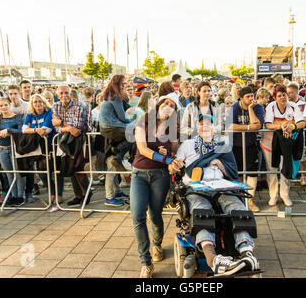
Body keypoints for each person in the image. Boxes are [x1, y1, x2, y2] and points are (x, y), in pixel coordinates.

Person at [172, 114, 259, 276]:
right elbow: (176, 168)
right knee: (201, 209)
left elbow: (232, 172)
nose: (205, 127)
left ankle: (246, 252)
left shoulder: (223, 146)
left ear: (214, 128)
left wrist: (218, 162)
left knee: (237, 206)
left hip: (221, 186)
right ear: (197, 128)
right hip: (196, 188)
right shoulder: (188, 146)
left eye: (208, 124)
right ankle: (213, 258)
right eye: (201, 124)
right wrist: (174, 166)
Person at [130, 92, 183, 278]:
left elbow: (174, 151)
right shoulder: (143, 121)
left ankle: (157, 244)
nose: (168, 105)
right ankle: (146, 262)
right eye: (165, 102)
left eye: (172, 104)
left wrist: (167, 153)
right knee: (137, 216)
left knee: (155, 214)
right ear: (159, 103)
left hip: (161, 175)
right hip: (139, 174)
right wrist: (163, 156)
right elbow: (143, 149)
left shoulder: (173, 128)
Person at [262, 85, 306, 207]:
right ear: (275, 97)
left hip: (288, 143)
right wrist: (281, 126)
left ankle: (285, 195)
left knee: (286, 167)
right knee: (272, 170)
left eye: (284, 95)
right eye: (279, 95)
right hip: (270, 143)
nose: (282, 97)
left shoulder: (294, 106)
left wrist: (292, 126)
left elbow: (302, 123)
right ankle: (273, 195)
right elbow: (268, 125)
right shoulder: (271, 106)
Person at [52, 84, 92, 206]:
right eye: (61, 93)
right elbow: (56, 128)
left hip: (81, 139)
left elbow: (78, 127)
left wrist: (62, 123)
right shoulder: (55, 106)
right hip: (65, 140)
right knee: (70, 166)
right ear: (57, 95)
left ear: (71, 93)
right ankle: (78, 195)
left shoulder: (80, 105)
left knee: (78, 166)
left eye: (66, 92)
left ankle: (87, 193)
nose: (64, 95)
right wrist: (68, 127)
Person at [225, 86, 263, 212]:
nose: (251, 98)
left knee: (252, 172)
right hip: (236, 144)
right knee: (239, 172)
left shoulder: (257, 107)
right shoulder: (234, 107)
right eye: (248, 96)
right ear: (241, 98)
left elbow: (257, 125)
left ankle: (250, 200)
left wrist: (251, 109)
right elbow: (230, 125)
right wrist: (248, 127)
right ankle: (241, 198)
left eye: (252, 96)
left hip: (251, 144)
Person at [22, 94, 63, 204]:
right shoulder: (31, 114)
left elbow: (46, 130)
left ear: (44, 102)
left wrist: (33, 128)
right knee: (42, 172)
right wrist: (36, 130)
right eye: (35, 102)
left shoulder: (49, 111)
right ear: (32, 104)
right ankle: (52, 192)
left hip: (52, 145)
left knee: (56, 171)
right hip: (39, 147)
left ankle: (59, 194)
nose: (38, 104)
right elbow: (24, 129)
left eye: (40, 101)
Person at [0, 98, 25, 206]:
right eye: (1, 106)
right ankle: (13, 195)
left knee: (17, 172)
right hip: (2, 149)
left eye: (5, 105)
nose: (3, 107)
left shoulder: (17, 117)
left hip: (14, 148)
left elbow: (21, 130)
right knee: (9, 173)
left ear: (10, 105)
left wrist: (9, 130)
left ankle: (20, 196)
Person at [99, 75, 133, 173]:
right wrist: (134, 123)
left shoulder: (109, 94)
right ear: (116, 84)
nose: (124, 86)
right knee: (138, 132)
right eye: (122, 84)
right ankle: (118, 151)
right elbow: (123, 117)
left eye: (125, 84)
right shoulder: (114, 96)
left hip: (105, 127)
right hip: (111, 127)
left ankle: (118, 156)